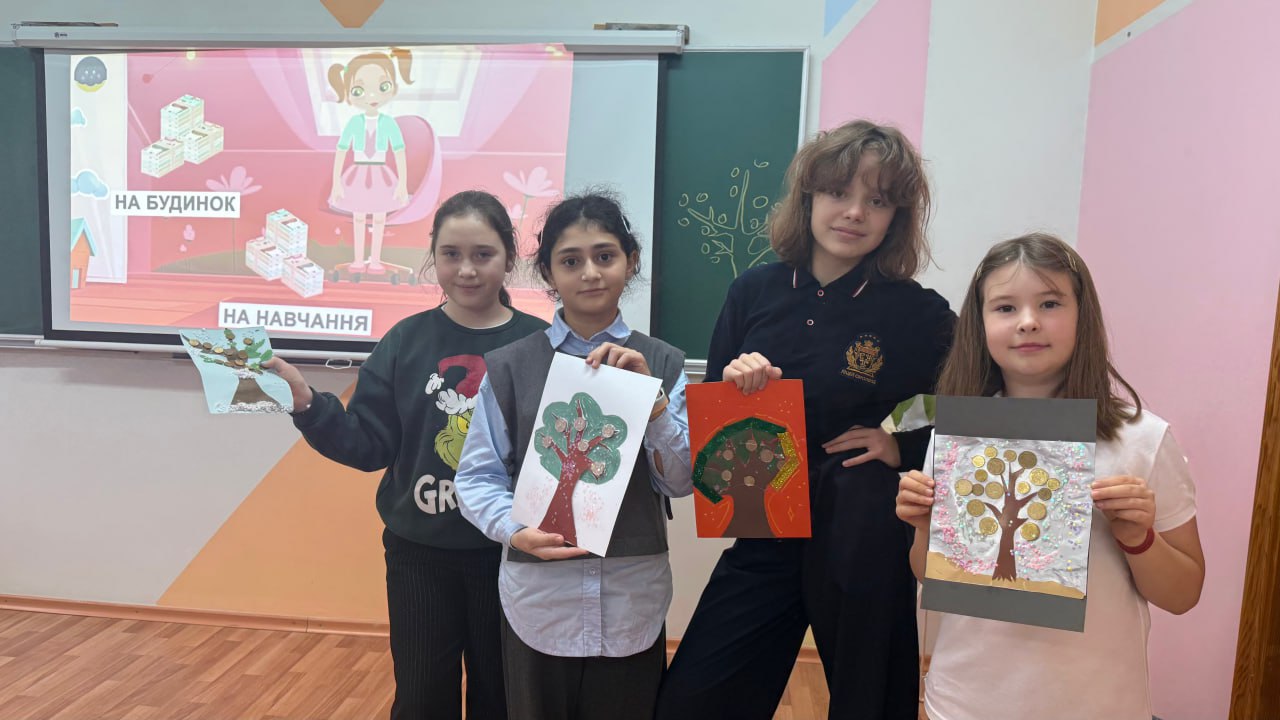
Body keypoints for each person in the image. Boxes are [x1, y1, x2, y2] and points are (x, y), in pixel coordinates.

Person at [657, 119, 955, 720]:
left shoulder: (918, 313)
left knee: (871, 700)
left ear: (897, 217)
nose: (855, 212)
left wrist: (900, 443)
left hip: (864, 533)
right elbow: (713, 425)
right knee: (695, 698)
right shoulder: (753, 291)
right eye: (839, 192)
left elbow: (957, 404)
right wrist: (735, 387)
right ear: (809, 196)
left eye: (878, 200)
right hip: (766, 522)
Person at [895, 232, 1204, 720]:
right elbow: (928, 573)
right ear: (979, 324)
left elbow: (1184, 594)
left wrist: (1139, 539)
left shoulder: (1141, 439)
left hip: (1098, 705)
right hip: (963, 701)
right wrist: (923, 528)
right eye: (1005, 308)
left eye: (1050, 303)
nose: (1028, 321)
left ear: (1083, 315)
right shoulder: (958, 437)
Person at [264, 190, 548, 720]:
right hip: (419, 556)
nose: (466, 270)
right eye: (451, 254)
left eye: (483, 254)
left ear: (510, 257)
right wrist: (306, 403)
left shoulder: (541, 344)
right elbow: (368, 444)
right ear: (433, 256)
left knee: (503, 698)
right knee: (421, 698)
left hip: (509, 556)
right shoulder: (405, 341)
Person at [455, 191, 692, 720]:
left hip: (631, 593)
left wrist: (653, 403)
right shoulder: (510, 366)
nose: (590, 273)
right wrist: (513, 530)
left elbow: (679, 482)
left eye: (605, 256)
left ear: (631, 261)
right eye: (570, 260)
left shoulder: (663, 363)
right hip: (540, 595)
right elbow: (476, 476)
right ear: (548, 272)